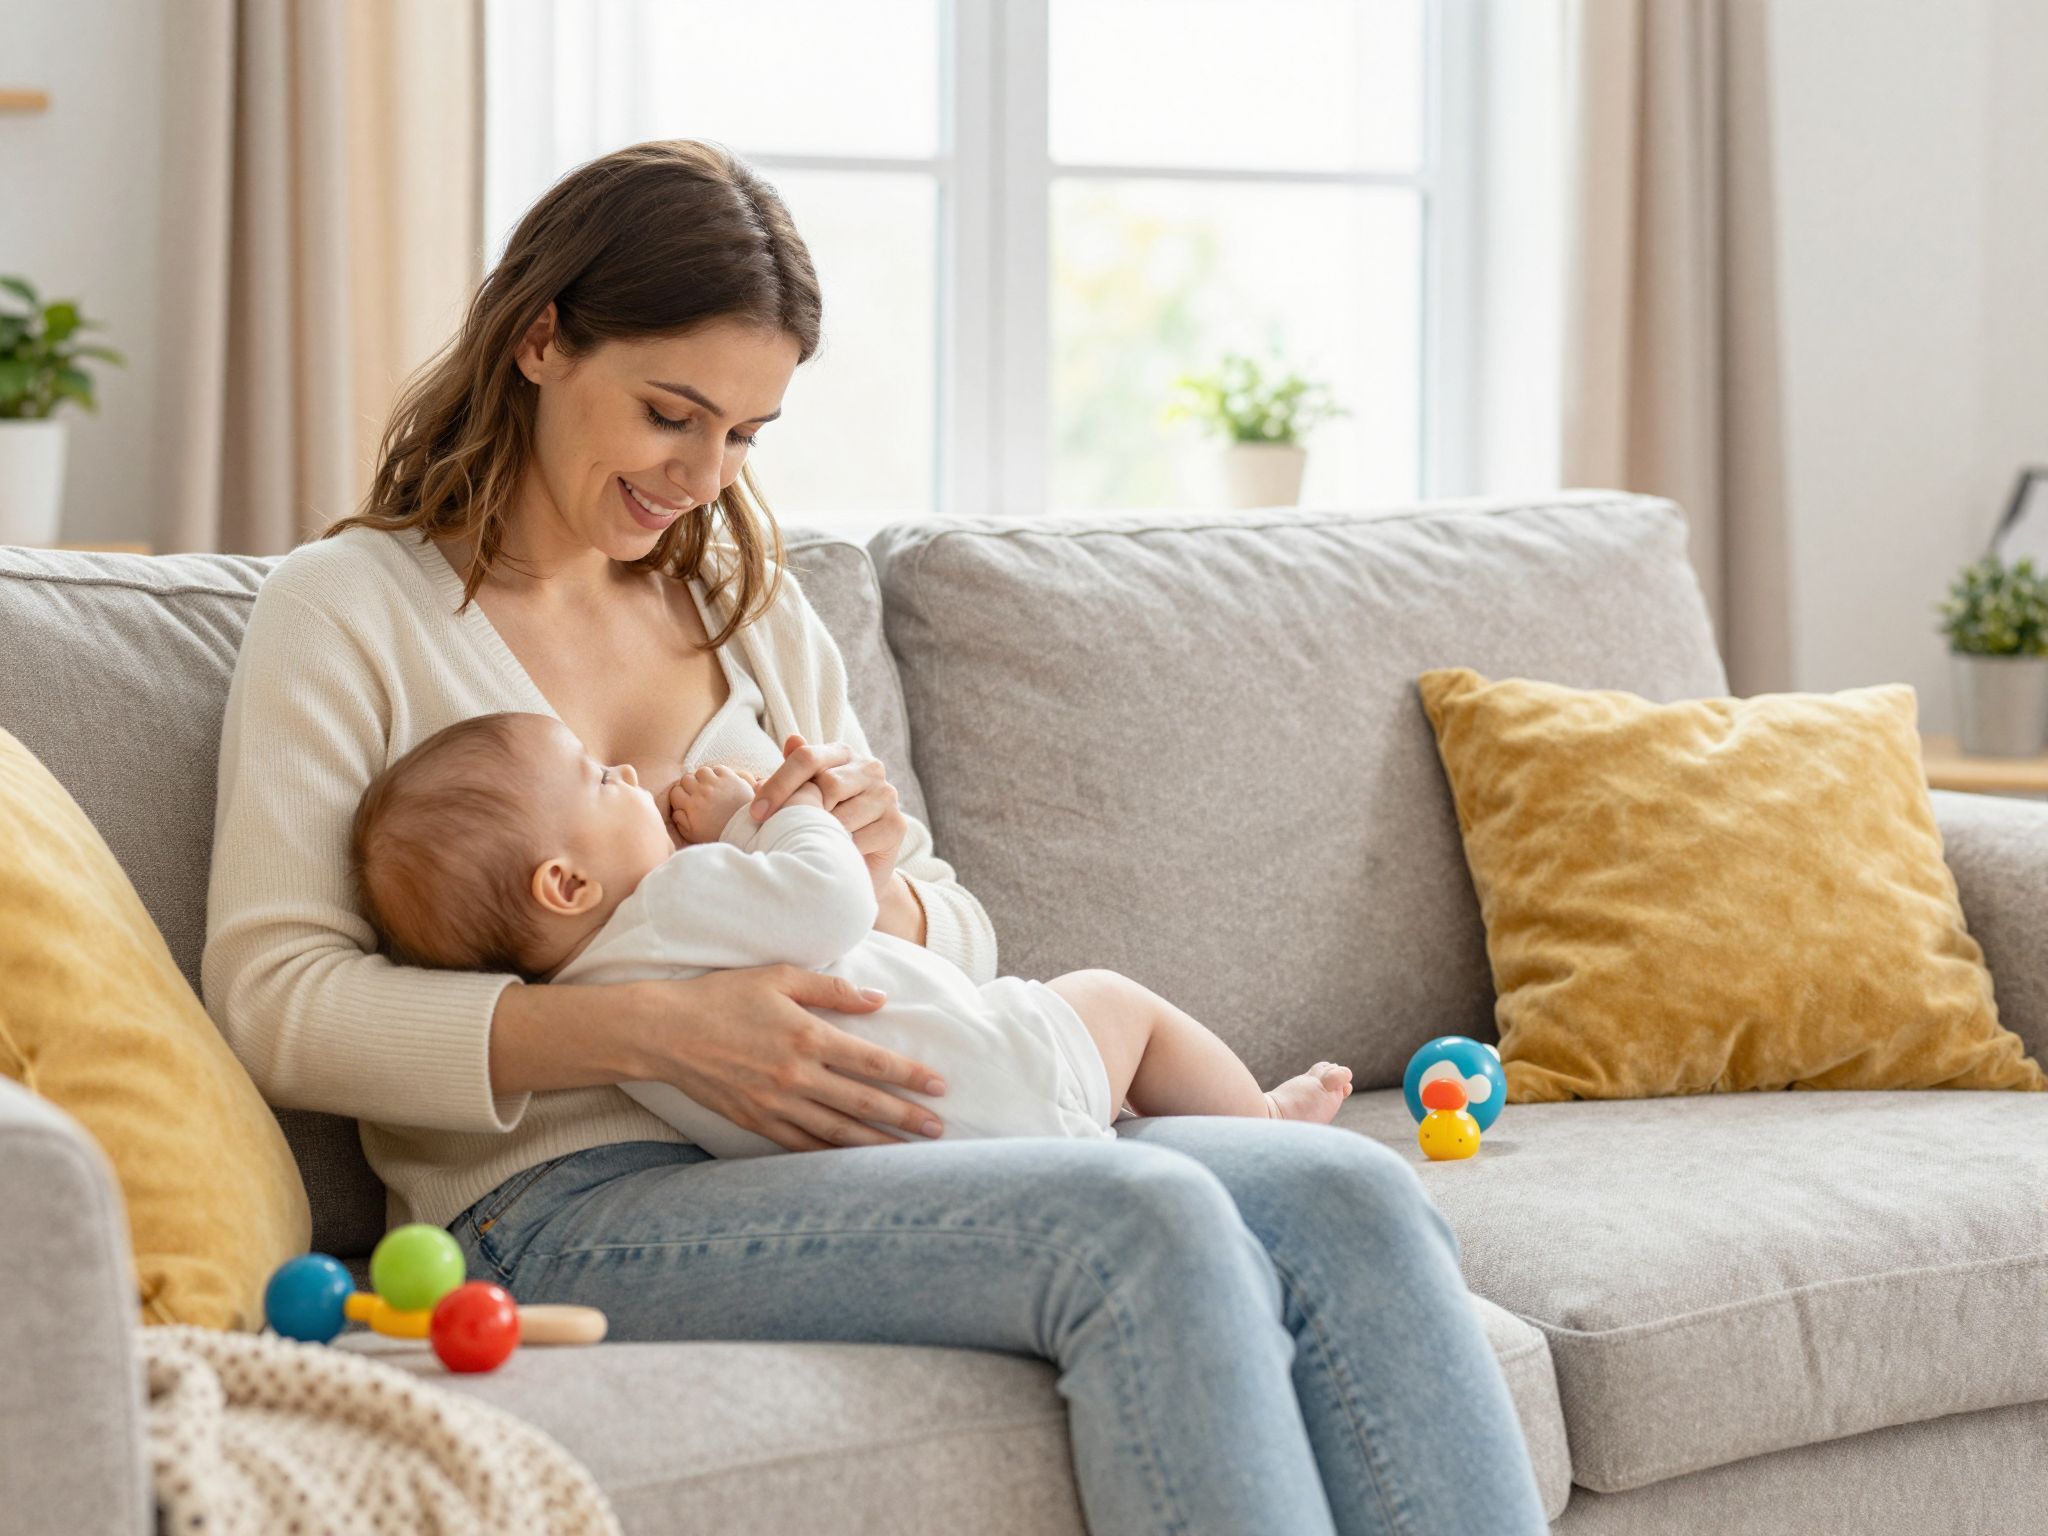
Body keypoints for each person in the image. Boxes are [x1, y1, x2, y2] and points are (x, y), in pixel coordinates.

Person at [203, 138, 1549, 1535]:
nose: (703, 475)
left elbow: (959, 928)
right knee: (1142, 1224)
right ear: (542, 339)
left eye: (744, 436)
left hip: (866, 1140)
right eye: (673, 413)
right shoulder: (350, 608)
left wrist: (888, 882)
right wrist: (652, 1033)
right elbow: (278, 1000)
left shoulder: (752, 610)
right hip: (572, 1192)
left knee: (1348, 1195)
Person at [346, 708, 1359, 1156]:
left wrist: (887, 871)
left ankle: (1181, 1126)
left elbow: (891, 915)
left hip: (914, 1138)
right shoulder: (678, 896)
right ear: (567, 882)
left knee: (1107, 1067)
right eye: (595, 777)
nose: (625, 774)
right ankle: (1259, 1123)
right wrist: (765, 816)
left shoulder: (582, 994)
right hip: (987, 1071)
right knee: (1114, 1004)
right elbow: (823, 903)